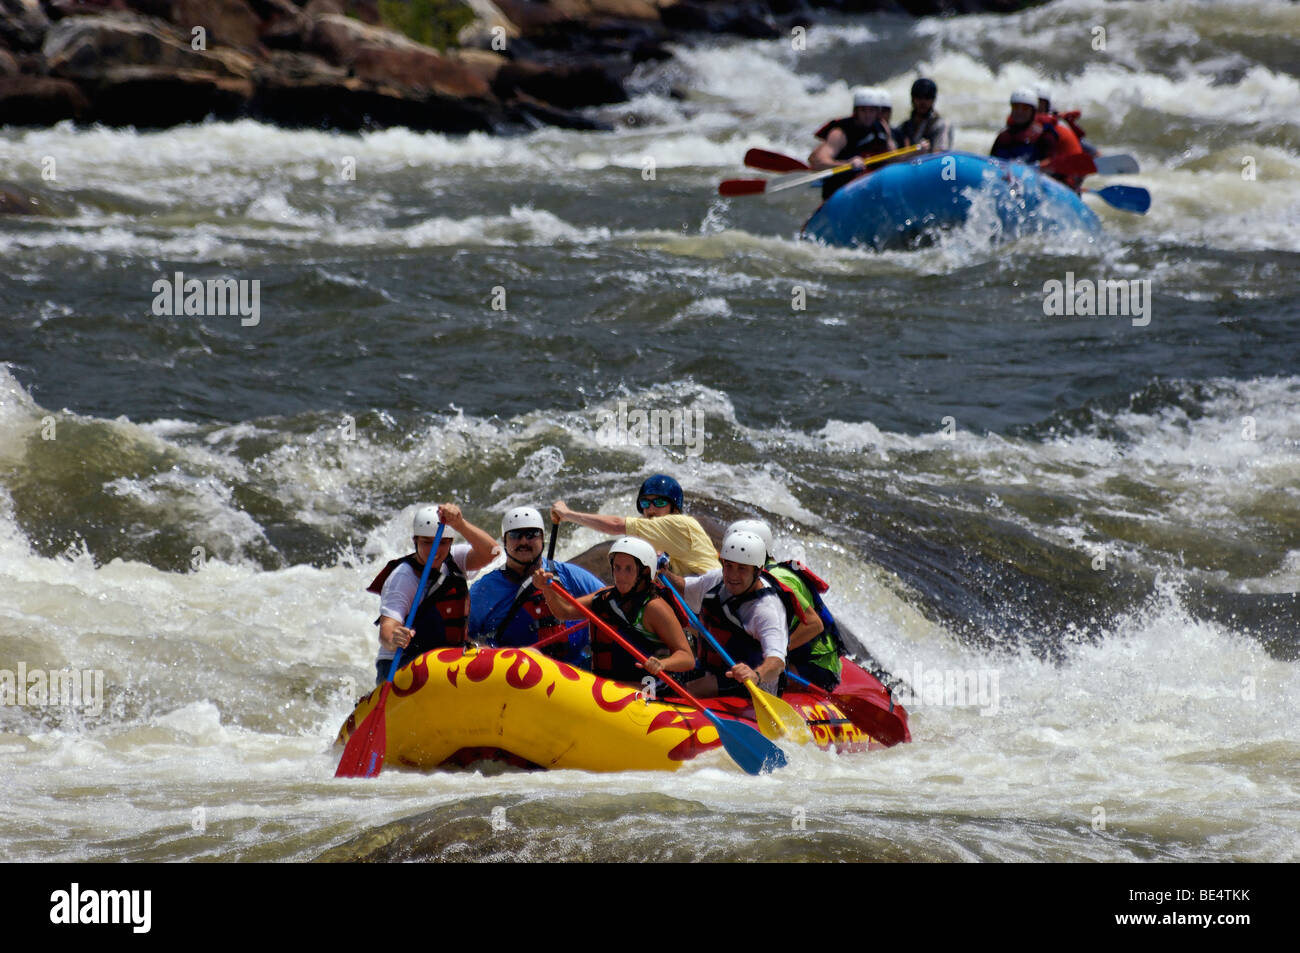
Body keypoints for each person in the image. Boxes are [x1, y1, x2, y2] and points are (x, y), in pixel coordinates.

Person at [533, 536, 695, 690]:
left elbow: (687, 657)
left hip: (650, 687)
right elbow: (564, 612)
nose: (620, 575)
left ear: (644, 572)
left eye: (628, 569)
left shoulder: (654, 608)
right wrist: (547, 589)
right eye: (617, 568)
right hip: (609, 685)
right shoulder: (605, 597)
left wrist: (663, 664)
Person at [366, 503, 499, 685]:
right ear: (415, 541)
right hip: (401, 663)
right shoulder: (404, 577)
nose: (434, 549)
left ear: (450, 543)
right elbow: (387, 629)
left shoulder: (455, 560)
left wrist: (460, 525)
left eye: (442, 543)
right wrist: (394, 637)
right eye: (426, 543)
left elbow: (492, 551)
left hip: (444, 659)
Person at [467, 506, 604, 663]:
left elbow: (611, 601)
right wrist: (486, 652)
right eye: (516, 535)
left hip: (576, 671)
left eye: (531, 535)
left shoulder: (567, 574)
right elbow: (464, 635)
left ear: (542, 538)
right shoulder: (486, 590)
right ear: (504, 541)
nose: (524, 541)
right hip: (515, 672)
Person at [725, 519, 843, 691]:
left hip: (817, 666)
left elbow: (814, 624)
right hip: (798, 655)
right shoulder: (753, 576)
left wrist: (774, 653)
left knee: (741, 685)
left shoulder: (778, 579)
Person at [672, 531, 788, 697]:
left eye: (742, 569)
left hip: (751, 684)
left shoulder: (765, 609)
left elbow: (777, 661)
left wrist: (756, 675)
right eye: (729, 566)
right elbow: (684, 588)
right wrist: (662, 573)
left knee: (686, 690)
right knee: (669, 680)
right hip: (710, 668)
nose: (733, 575)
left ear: (758, 571)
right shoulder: (718, 579)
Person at [551, 474, 721, 577]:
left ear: (674, 507)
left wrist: (567, 514)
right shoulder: (664, 538)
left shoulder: (677, 523)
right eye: (646, 503)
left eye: (659, 502)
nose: (651, 509)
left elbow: (616, 525)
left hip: (711, 597)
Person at [809, 86, 898, 200]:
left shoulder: (882, 127)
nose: (868, 115)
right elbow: (819, 162)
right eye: (863, 110)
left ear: (877, 112)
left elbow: (893, 158)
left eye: (871, 110)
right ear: (856, 111)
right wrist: (847, 164)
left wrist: (919, 151)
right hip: (840, 191)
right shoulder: (841, 132)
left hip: (870, 189)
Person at [990, 87, 1085, 189]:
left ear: (1033, 111)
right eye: (1016, 107)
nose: (1019, 112)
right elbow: (993, 162)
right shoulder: (1003, 136)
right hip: (1009, 180)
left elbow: (1053, 163)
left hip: (1041, 182)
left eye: (1025, 108)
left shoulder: (1045, 135)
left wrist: (1039, 167)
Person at [893, 77, 952, 154]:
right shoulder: (903, 127)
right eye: (918, 96)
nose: (923, 102)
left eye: (927, 97)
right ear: (912, 98)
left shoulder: (941, 125)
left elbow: (940, 155)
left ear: (933, 100)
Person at [1036, 81, 1097, 156]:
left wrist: (1063, 116)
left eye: (1041, 103)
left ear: (1047, 104)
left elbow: (1078, 113)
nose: (1038, 107)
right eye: (1036, 103)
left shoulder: (1054, 118)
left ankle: (1097, 156)